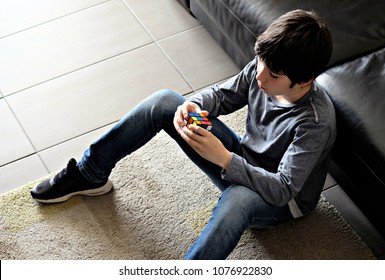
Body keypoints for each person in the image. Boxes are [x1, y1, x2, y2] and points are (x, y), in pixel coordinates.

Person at [31, 9, 335, 259]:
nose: (259, 76)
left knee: (238, 200)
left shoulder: (315, 123)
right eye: (260, 64)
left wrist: (225, 159)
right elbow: (221, 96)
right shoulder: (265, 68)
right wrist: (192, 105)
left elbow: (284, 188)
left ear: (305, 79)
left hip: (282, 200)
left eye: (273, 75)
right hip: (243, 159)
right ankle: (90, 173)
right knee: (165, 100)